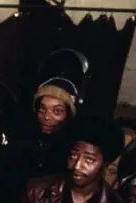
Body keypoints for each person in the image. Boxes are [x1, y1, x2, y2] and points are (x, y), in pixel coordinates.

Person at [12, 49, 89, 186]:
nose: (47, 117)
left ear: (69, 114)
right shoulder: (21, 137)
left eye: (57, 111)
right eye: (42, 109)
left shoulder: (74, 149)